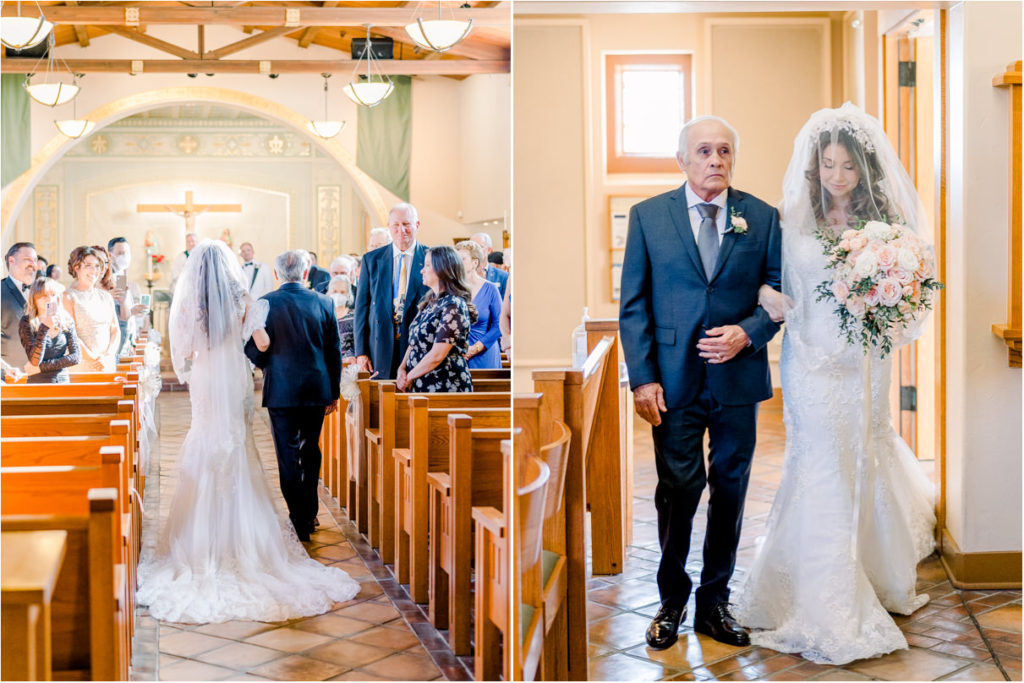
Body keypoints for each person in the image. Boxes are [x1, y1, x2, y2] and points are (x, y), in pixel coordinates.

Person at [733, 103, 936, 665]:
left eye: (848, 166)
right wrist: (766, 297)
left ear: (863, 169)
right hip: (810, 363)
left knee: (862, 457)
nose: (838, 177)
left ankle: (870, 572)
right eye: (828, 165)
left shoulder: (886, 225)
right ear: (814, 167)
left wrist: (886, 300)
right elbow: (757, 280)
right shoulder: (789, 218)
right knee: (820, 462)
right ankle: (827, 600)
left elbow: (908, 290)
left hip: (863, 363)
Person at [619, 115, 782, 650]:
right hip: (672, 380)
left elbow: (779, 294)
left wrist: (748, 332)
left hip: (738, 379)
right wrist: (642, 379)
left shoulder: (761, 218)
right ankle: (671, 600)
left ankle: (715, 602)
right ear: (683, 159)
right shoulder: (648, 217)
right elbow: (634, 305)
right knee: (679, 489)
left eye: (725, 151)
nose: (716, 160)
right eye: (705, 151)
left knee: (731, 490)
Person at [139, 241, 358, 624]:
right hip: (234, 379)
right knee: (238, 444)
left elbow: (186, 349)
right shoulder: (243, 298)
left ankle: (201, 538)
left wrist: (207, 347)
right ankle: (254, 536)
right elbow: (262, 342)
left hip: (207, 377)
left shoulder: (191, 302)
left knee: (205, 437)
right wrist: (245, 337)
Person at [244, 249, 344, 543]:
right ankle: (310, 513)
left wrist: (271, 363)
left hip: (281, 391)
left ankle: (297, 517)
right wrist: (334, 392)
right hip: (316, 389)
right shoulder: (324, 302)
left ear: (276, 274)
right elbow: (333, 351)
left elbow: (254, 351)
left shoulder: (265, 304)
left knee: (287, 455)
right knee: (310, 450)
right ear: (305, 272)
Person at [354, 203, 430, 379]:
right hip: (379, 345)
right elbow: (361, 308)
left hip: (418, 347)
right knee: (381, 401)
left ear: (417, 225)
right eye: (396, 225)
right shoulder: (371, 259)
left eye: (406, 224)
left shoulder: (431, 257)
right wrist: (361, 352)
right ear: (389, 227)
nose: (401, 230)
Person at [396, 246, 474, 393]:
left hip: (445, 383)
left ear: (442, 269)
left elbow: (438, 354)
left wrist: (409, 378)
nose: (422, 270)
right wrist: (402, 368)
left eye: (427, 265)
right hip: (420, 379)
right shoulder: (432, 301)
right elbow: (414, 342)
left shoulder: (453, 305)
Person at [64, 246, 120, 372]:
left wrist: (108, 355)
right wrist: (92, 358)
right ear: (76, 268)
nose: (94, 270)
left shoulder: (106, 297)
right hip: (83, 364)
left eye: (96, 266)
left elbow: (115, 329)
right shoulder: (67, 297)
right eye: (88, 265)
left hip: (106, 363)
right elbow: (69, 335)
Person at [19, 277, 81, 384]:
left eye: (53, 295)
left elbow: (76, 357)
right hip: (38, 383)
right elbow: (34, 361)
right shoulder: (27, 322)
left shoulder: (66, 320)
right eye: (44, 296)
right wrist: (44, 327)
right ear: (34, 299)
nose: (49, 299)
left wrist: (41, 368)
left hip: (62, 381)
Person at [455, 240, 502, 369]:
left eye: (462, 259)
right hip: (456, 354)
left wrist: (475, 348)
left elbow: (499, 325)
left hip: (484, 353)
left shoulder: (491, 289)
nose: (457, 263)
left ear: (475, 262)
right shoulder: (451, 289)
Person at [108, 237, 149, 358]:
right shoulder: (109, 277)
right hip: (116, 335)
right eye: (120, 253)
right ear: (110, 255)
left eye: (126, 253)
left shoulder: (120, 274)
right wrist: (132, 311)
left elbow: (122, 302)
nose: (124, 256)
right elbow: (116, 313)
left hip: (126, 333)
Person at [2, 242, 38, 371]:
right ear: (11, 261)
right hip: (9, 375)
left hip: (42, 375)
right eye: (27, 259)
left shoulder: (42, 292)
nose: (33, 264)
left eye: (35, 260)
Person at [470, 232, 508, 300]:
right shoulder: (462, 275)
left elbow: (505, 304)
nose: (475, 250)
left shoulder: (503, 276)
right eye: (473, 247)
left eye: (480, 247)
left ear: (489, 250)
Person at [327, 273, 356, 361]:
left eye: (342, 292)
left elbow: (358, 344)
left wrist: (345, 359)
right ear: (329, 292)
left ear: (349, 295)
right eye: (335, 291)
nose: (338, 295)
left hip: (349, 364)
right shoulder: (322, 316)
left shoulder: (354, 317)